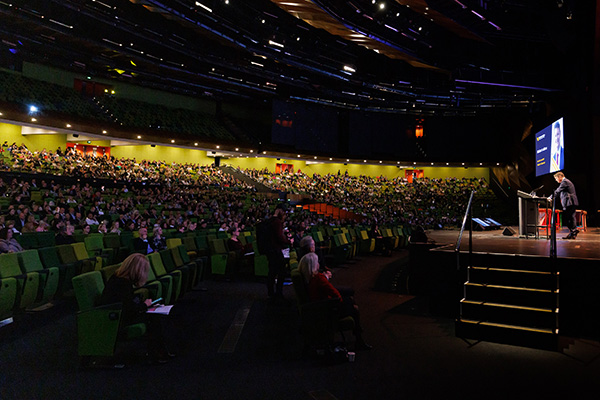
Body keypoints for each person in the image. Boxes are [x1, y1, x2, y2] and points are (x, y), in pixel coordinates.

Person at [98, 253, 173, 363]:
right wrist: (145, 305)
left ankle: (159, 352)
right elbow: (128, 308)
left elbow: (128, 303)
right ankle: (158, 353)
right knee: (153, 317)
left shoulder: (119, 279)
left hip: (119, 314)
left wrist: (144, 305)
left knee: (153, 315)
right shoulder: (122, 283)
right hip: (116, 319)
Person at [298, 253, 371, 351]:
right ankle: (359, 339)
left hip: (317, 308)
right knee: (354, 307)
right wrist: (325, 278)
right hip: (328, 309)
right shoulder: (319, 278)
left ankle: (359, 338)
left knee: (350, 300)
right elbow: (336, 295)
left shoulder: (308, 278)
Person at [260, 204, 293, 301]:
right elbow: (279, 237)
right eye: (283, 211)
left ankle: (271, 293)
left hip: (269, 250)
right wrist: (288, 241)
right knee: (281, 272)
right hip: (276, 250)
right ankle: (278, 293)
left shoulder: (269, 221)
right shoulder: (277, 222)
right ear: (279, 210)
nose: (284, 214)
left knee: (272, 272)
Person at [552, 171, 579, 239]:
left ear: (559, 177)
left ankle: (574, 230)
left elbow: (558, 190)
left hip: (569, 202)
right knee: (571, 217)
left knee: (567, 218)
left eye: (556, 178)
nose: (556, 180)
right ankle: (573, 233)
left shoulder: (565, 182)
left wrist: (550, 197)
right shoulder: (566, 182)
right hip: (571, 202)